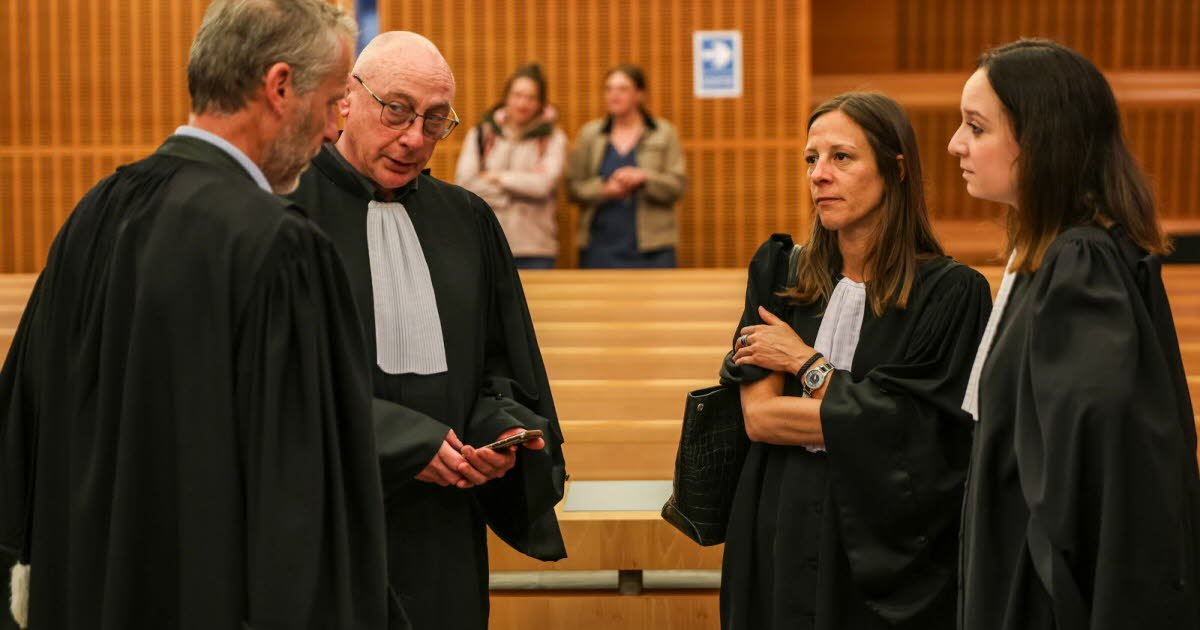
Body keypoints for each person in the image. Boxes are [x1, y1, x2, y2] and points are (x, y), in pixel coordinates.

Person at [0, 1, 404, 628]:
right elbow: (302, 515)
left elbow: (20, 439)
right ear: (279, 87)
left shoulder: (94, 214)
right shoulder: (279, 247)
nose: (332, 131)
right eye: (331, 103)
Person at [288, 31, 567, 630]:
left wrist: (500, 433)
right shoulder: (286, 216)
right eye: (396, 110)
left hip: (442, 531)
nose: (415, 138)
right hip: (325, 523)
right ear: (347, 99)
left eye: (435, 120)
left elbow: (498, 369)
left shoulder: (466, 220)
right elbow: (273, 385)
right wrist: (400, 441)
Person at [719, 92, 991, 629]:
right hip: (780, 517)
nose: (819, 174)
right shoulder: (781, 275)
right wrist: (862, 409)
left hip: (884, 541)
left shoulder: (951, 293)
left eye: (841, 157)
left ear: (896, 169)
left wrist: (806, 365)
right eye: (811, 159)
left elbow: (920, 435)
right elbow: (761, 418)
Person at [953, 39, 1200, 630]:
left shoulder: (1079, 262)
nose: (956, 144)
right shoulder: (1050, 254)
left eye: (976, 128)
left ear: (1041, 141)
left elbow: (1094, 475)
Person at [565, 64, 686, 268]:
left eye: (622, 89)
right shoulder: (590, 135)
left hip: (653, 248)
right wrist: (604, 190)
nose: (614, 96)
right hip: (599, 247)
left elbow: (677, 186)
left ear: (639, 95)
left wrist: (644, 178)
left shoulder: (664, 133)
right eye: (609, 89)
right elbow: (572, 188)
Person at [454, 63, 568, 269]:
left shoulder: (552, 138)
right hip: (487, 243)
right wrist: (511, 194)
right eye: (517, 95)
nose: (523, 103)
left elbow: (542, 186)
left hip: (535, 249)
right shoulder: (481, 135)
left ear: (540, 103)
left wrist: (497, 177)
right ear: (506, 97)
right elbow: (466, 184)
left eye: (531, 97)